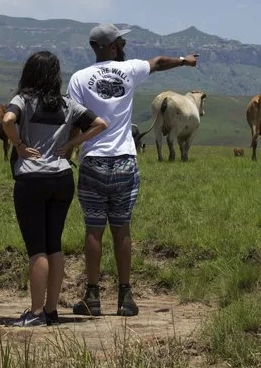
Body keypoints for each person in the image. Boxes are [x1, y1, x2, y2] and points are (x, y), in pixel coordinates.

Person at [68, 23, 198, 317]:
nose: (124, 45)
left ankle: (92, 296)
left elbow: (74, 119)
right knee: (122, 227)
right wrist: (184, 61)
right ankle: (126, 297)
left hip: (94, 160)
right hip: (125, 158)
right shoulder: (128, 70)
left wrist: (69, 148)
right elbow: (159, 62)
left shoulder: (78, 78)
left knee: (93, 229)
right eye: (121, 42)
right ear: (112, 47)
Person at [2, 51, 108, 327]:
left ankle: (35, 313)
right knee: (54, 246)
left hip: (31, 178)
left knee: (37, 249)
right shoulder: (68, 104)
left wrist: (18, 145)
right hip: (61, 178)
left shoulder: (22, 100)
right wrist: (74, 143)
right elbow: (100, 124)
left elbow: (6, 121)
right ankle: (51, 309)